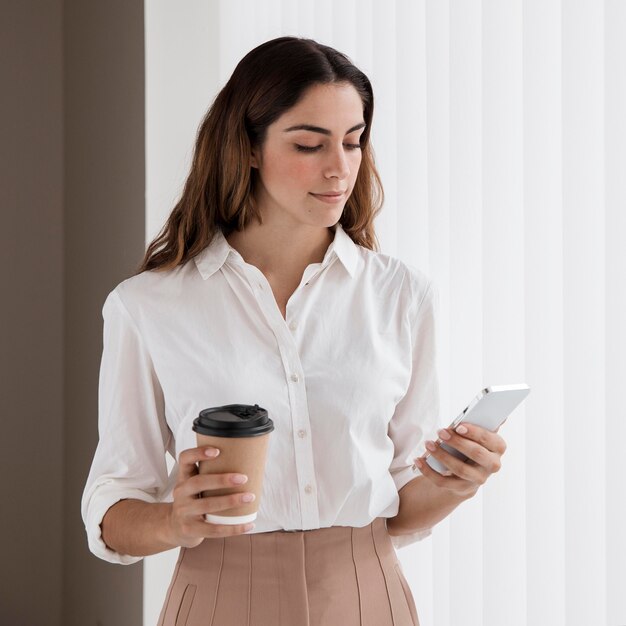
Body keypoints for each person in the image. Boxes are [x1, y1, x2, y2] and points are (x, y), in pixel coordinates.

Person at [81, 36, 507, 626]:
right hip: (218, 597)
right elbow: (111, 505)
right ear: (248, 148)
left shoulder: (402, 297)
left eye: (354, 142)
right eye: (309, 144)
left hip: (368, 594)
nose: (340, 167)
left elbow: (401, 504)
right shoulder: (148, 306)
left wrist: (458, 482)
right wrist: (172, 520)